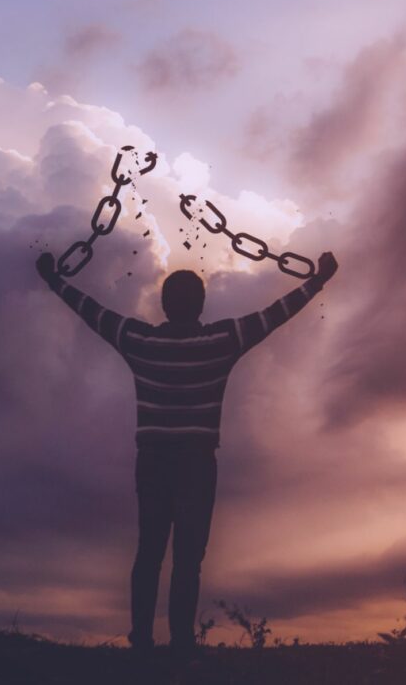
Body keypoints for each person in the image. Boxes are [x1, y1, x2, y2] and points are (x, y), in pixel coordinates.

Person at [34, 249, 338, 659]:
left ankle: (141, 640)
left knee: (149, 551)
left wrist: (55, 281)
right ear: (201, 306)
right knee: (188, 557)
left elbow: (93, 313)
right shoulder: (222, 340)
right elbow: (273, 315)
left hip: (154, 461)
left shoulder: (139, 341)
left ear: (164, 305)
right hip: (197, 462)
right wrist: (316, 281)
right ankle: (180, 643)